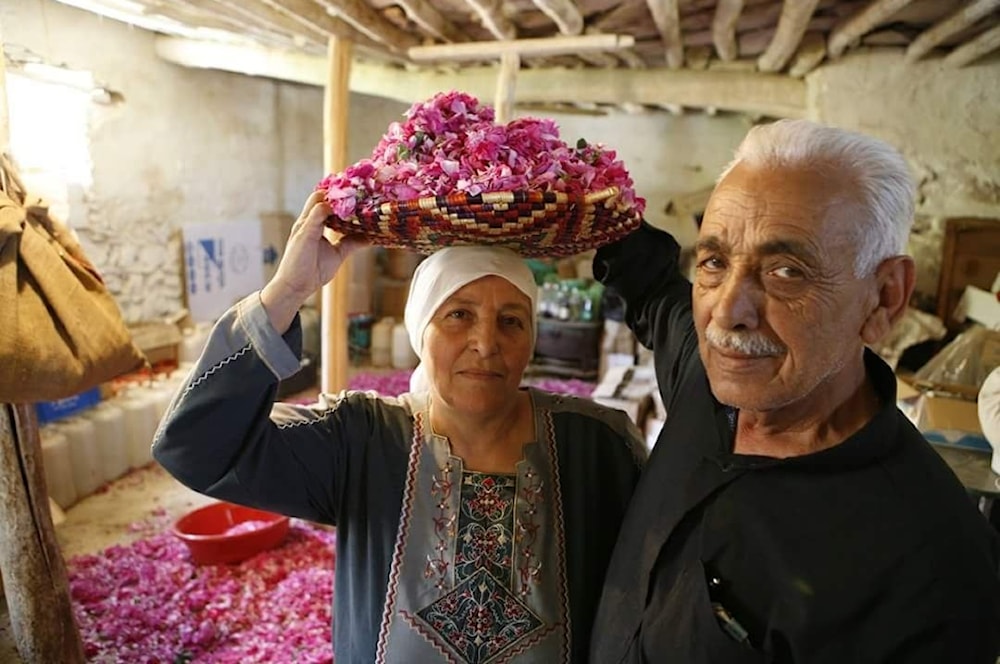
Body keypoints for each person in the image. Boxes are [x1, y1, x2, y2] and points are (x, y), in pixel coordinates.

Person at [153, 190, 646, 663]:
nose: (485, 343)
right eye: (458, 315)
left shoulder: (597, 446)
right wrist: (289, 291)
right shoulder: (361, 439)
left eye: (511, 321)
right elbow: (195, 448)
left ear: (532, 339)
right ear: (420, 330)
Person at [589, 119, 1000, 663]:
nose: (728, 313)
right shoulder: (709, 386)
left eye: (786, 271)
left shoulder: (934, 568)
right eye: (714, 262)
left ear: (884, 298)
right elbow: (654, 288)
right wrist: (577, 195)